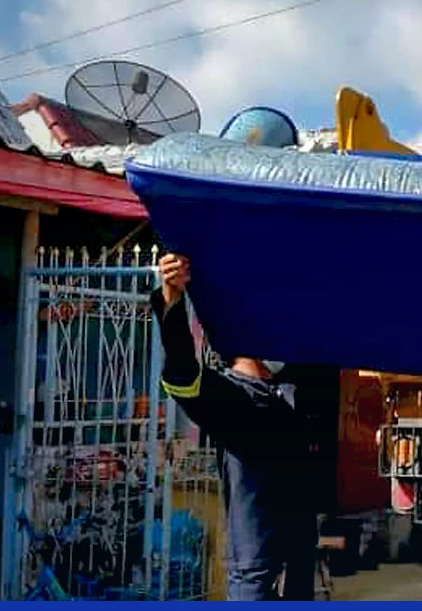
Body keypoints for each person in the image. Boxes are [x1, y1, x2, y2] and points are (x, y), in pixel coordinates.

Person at [152, 253, 319, 601]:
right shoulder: (235, 400)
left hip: (294, 571)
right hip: (259, 580)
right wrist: (172, 296)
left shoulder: (285, 395)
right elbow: (181, 374)